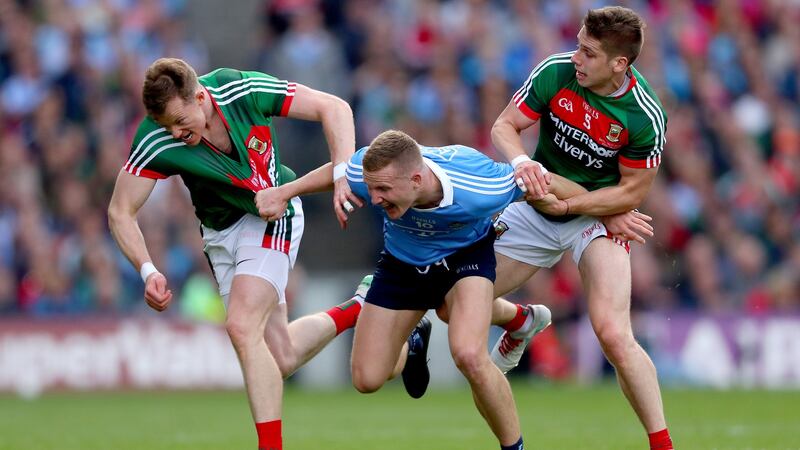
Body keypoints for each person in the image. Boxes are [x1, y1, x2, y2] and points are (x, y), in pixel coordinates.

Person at [107, 58, 425, 450]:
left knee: (241, 327)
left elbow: (335, 108)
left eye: (179, 120)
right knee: (282, 357)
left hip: (273, 211)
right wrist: (147, 269)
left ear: (201, 98)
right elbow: (120, 211)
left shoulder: (242, 90)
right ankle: (364, 302)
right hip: (221, 235)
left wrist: (343, 173)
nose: (174, 132)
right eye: (165, 125)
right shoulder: (156, 138)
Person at [257, 129, 567, 450]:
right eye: (372, 188)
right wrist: (285, 192)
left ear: (416, 180)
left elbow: (547, 182)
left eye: (384, 190)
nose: (374, 199)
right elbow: (343, 170)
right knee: (367, 379)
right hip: (403, 265)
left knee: (469, 355)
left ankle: (514, 446)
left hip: (464, 259)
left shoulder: (480, 183)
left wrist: (605, 210)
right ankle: (419, 335)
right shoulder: (372, 169)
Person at [489, 6, 673, 449]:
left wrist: (572, 204)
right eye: (577, 45)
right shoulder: (556, 72)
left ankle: (662, 444)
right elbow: (505, 126)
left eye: (588, 53)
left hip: (594, 217)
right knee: (453, 302)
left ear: (619, 64)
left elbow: (630, 195)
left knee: (612, 332)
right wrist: (521, 162)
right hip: (537, 202)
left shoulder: (644, 115)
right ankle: (521, 323)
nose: (576, 58)